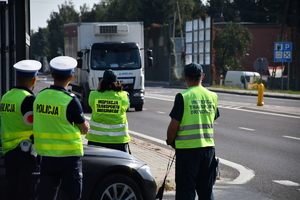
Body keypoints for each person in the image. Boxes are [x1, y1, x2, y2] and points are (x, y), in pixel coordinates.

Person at [33, 56, 90, 200]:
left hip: (46, 157)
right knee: (72, 195)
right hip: (69, 158)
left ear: (52, 75)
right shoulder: (71, 100)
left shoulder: (40, 97)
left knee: (46, 195)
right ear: (71, 77)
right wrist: (86, 126)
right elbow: (83, 129)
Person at [166, 62, 220, 200]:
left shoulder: (183, 97)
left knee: (186, 191)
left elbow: (173, 127)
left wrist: (170, 141)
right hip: (208, 149)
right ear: (202, 76)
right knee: (206, 191)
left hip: (187, 151)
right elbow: (211, 118)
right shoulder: (212, 96)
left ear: (185, 77)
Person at [0, 60, 41, 200]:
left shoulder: (6, 97)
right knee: (27, 192)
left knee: (12, 189)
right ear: (34, 79)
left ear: (17, 77)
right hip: (26, 154)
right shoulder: (28, 99)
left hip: (9, 152)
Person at [85, 69, 131, 153]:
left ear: (102, 81)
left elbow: (91, 105)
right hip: (118, 140)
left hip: (96, 139)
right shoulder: (123, 96)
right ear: (117, 82)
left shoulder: (93, 95)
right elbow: (126, 107)